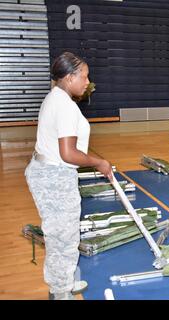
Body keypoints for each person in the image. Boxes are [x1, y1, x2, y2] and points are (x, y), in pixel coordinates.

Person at [25, 52, 113, 300]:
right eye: (84, 76)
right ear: (69, 77)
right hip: (54, 176)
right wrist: (99, 162)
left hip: (52, 173)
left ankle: (64, 281)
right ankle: (60, 292)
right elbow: (68, 153)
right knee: (62, 237)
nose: (87, 82)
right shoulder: (63, 105)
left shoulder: (58, 98)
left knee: (66, 233)